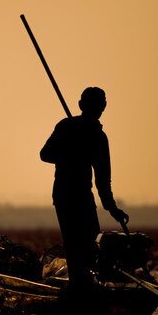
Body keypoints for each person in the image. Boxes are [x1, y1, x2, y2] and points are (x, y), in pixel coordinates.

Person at [40, 87, 129, 301]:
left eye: (100, 104)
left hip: (84, 196)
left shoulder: (99, 138)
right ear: (82, 105)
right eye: (93, 104)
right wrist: (70, 153)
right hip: (64, 195)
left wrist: (112, 208)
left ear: (104, 107)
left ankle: (88, 287)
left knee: (91, 245)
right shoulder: (66, 127)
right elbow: (45, 154)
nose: (97, 108)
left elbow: (102, 179)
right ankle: (77, 290)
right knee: (73, 245)